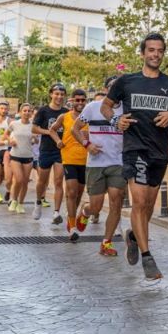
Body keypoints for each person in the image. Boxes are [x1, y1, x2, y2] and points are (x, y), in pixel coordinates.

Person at [103, 33, 168, 281]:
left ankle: (133, 236)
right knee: (139, 202)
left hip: (158, 153)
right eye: (151, 50)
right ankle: (147, 257)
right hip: (135, 149)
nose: (155, 54)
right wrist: (115, 120)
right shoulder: (126, 82)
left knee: (148, 206)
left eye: (160, 50)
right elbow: (105, 106)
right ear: (142, 53)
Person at [76, 78, 126, 255]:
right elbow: (76, 128)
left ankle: (106, 243)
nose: (116, 89)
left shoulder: (127, 109)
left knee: (116, 201)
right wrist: (87, 144)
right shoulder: (93, 107)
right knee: (96, 206)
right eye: (112, 87)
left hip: (118, 163)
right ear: (106, 89)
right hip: (96, 163)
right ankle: (85, 210)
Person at [32, 84, 69, 224]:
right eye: (56, 94)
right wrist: (49, 132)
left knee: (59, 181)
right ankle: (38, 202)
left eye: (61, 94)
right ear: (51, 94)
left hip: (61, 150)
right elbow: (34, 129)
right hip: (46, 149)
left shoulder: (66, 112)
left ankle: (56, 212)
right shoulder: (43, 111)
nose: (59, 97)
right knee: (42, 181)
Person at [58, 90, 89, 236]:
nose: (80, 103)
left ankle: (73, 217)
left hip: (86, 160)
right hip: (69, 158)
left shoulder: (90, 117)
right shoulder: (64, 117)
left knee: (78, 193)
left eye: (83, 100)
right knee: (71, 192)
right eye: (78, 100)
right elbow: (52, 130)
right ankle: (72, 227)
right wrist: (58, 141)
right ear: (72, 101)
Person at [7, 104, 36, 213]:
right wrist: (10, 141)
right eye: (25, 110)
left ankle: (21, 203)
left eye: (29, 111)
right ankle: (13, 200)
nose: (27, 112)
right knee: (18, 179)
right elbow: (6, 135)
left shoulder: (33, 125)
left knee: (24, 182)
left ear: (31, 113)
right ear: (20, 112)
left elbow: (36, 140)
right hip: (15, 155)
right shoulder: (14, 123)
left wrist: (34, 139)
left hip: (28, 156)